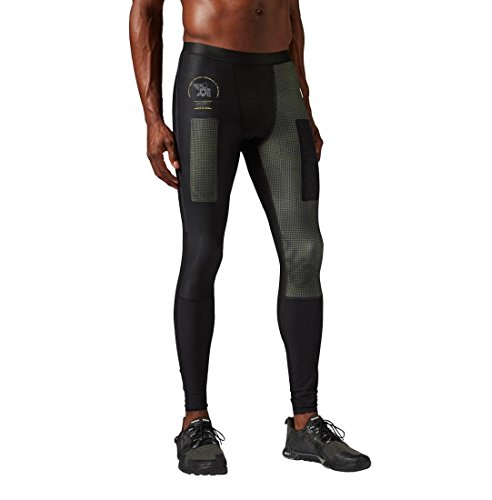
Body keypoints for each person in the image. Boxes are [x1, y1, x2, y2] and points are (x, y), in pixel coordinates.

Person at [129, 0, 370, 475]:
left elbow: (291, 12)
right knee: (203, 252)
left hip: (279, 86)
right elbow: (145, 11)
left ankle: (305, 422)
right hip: (207, 83)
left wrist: (304, 97)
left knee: (305, 251)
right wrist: (152, 117)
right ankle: (194, 420)